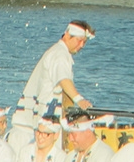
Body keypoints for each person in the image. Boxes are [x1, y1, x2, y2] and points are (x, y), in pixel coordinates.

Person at [16, 19, 94, 147]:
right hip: (42, 121)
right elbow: (63, 80)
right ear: (67, 35)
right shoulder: (60, 54)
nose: (82, 46)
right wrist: (79, 99)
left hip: (34, 120)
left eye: (84, 42)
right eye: (79, 41)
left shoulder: (57, 51)